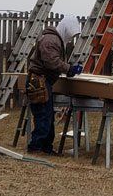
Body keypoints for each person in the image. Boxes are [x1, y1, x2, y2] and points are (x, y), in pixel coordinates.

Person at [26, 14, 83, 154]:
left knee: (47, 116)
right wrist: (69, 68)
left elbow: (54, 62)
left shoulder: (55, 39)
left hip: (43, 81)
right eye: (69, 35)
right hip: (39, 81)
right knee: (43, 116)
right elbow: (51, 62)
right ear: (65, 29)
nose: (70, 39)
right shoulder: (51, 40)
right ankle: (36, 147)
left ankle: (46, 148)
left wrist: (68, 68)